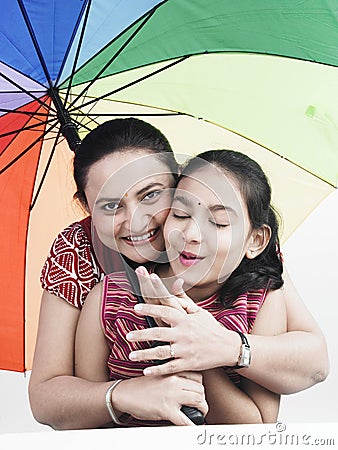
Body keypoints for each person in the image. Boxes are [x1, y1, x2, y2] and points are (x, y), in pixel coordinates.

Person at [28, 118, 328, 430]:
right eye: (110, 205)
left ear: (177, 182)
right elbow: (49, 399)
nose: (136, 222)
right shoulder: (84, 260)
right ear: (86, 206)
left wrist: (217, 347)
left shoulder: (233, 245)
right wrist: (122, 394)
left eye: (150, 195)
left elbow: (313, 363)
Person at [75, 149, 290, 425]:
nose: (190, 235)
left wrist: (193, 348)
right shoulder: (110, 297)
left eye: (219, 222)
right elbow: (85, 422)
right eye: (180, 214)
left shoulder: (261, 300)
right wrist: (123, 395)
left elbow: (257, 428)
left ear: (256, 240)